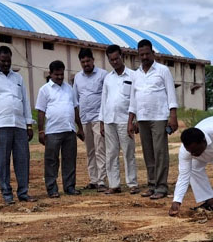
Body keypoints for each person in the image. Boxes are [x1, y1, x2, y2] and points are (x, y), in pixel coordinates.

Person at [0, 45, 37, 205]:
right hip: (1, 125)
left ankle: (23, 193)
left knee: (22, 159)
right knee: (3, 161)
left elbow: (25, 101)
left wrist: (29, 124)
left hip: (19, 125)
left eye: (8, 61)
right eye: (3, 61)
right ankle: (7, 195)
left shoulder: (18, 78)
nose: (6, 64)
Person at [127, 39, 178, 200]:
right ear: (138, 55)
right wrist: (131, 120)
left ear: (153, 53)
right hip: (142, 118)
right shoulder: (136, 74)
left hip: (159, 117)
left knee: (160, 152)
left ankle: (162, 187)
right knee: (148, 153)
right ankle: (152, 184)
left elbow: (171, 93)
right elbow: (133, 99)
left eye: (147, 53)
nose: (144, 57)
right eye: (141, 54)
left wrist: (173, 116)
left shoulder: (163, 71)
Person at [35, 60, 85, 198]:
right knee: (51, 161)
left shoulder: (69, 88)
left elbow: (75, 108)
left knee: (69, 160)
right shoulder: (44, 90)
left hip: (69, 130)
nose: (59, 77)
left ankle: (69, 187)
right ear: (50, 74)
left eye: (62, 74)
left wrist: (79, 128)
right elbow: (41, 111)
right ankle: (52, 189)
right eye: (56, 74)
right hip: (52, 132)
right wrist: (40, 131)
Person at [99, 44, 140, 195]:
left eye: (116, 58)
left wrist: (134, 120)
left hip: (125, 120)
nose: (114, 62)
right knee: (111, 154)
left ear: (121, 56)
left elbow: (135, 99)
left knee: (129, 152)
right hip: (109, 120)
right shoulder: (108, 79)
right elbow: (104, 100)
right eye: (111, 60)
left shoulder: (133, 76)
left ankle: (132, 183)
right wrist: (102, 122)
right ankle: (114, 184)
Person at [73, 48, 107, 192]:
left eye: (88, 61)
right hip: (85, 119)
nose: (86, 64)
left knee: (100, 150)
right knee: (90, 151)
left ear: (93, 60)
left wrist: (104, 121)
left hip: (98, 119)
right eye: (83, 62)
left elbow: (107, 97)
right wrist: (79, 126)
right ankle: (93, 180)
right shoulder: (77, 77)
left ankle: (102, 181)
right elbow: (75, 100)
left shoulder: (103, 75)